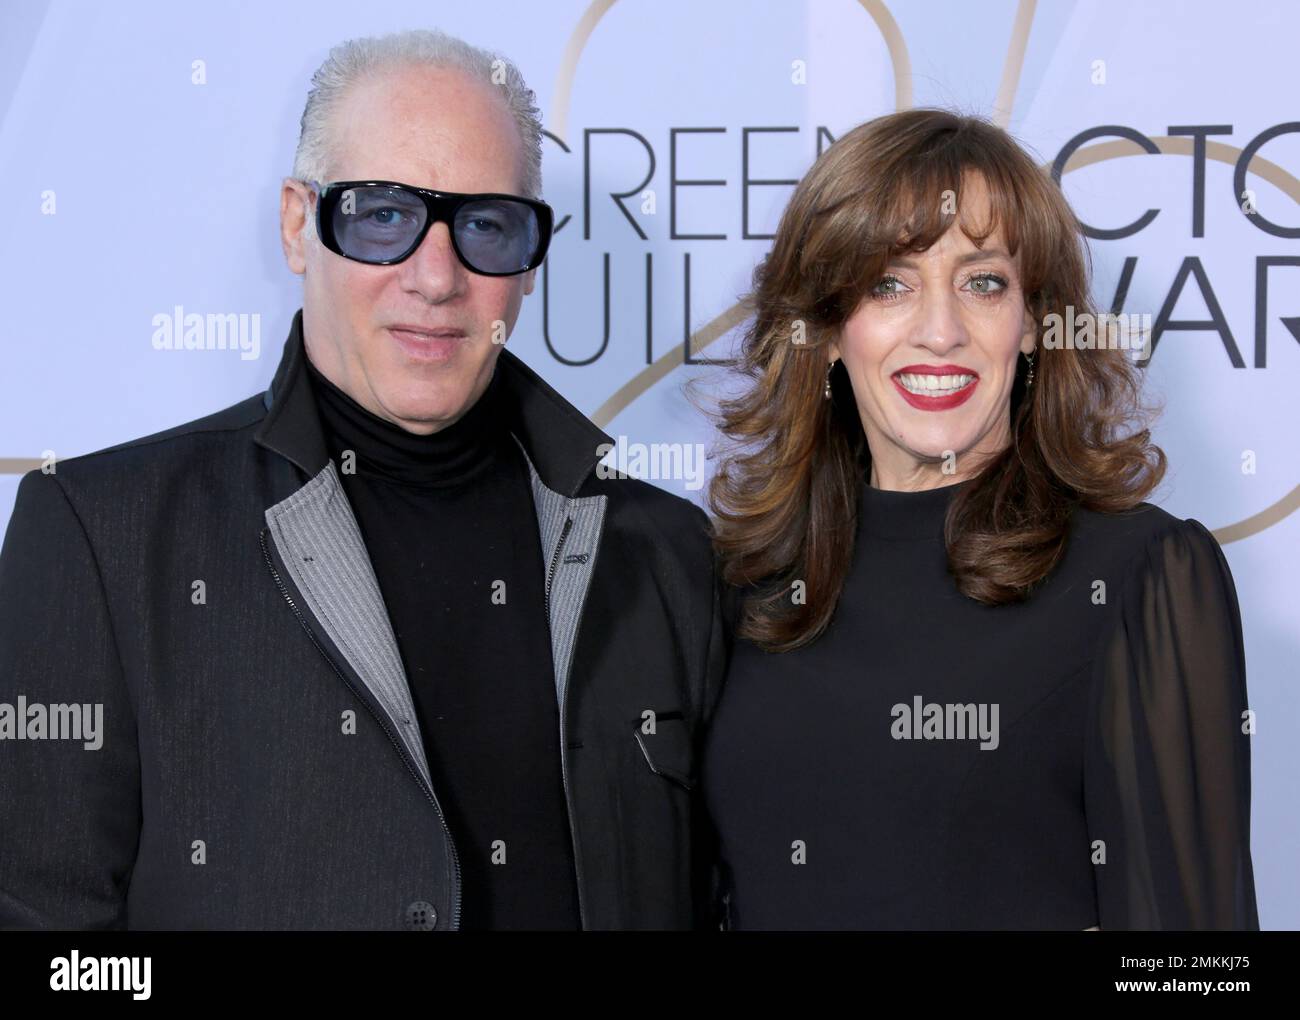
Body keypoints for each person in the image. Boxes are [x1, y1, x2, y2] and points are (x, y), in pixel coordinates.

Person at [0, 29, 725, 931]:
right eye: (381, 216)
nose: (435, 278)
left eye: (485, 225)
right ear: (298, 224)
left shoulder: (664, 553)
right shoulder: (100, 536)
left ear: (529, 264)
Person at [700, 108, 1259, 930]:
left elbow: (1193, 967)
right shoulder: (737, 584)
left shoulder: (1140, 578)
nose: (940, 331)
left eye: (983, 281)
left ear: (1034, 322)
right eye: (889, 283)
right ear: (823, 330)